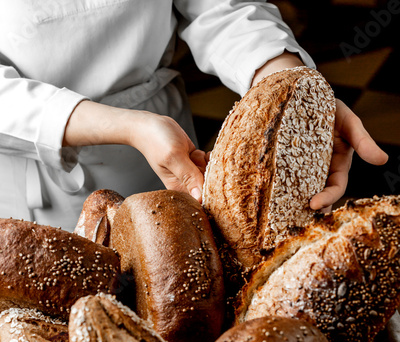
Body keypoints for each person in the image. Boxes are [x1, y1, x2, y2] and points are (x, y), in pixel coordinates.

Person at [0, 1, 388, 231]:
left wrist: (289, 87)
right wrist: (127, 127)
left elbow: (220, 7)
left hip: (163, 158)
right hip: (22, 192)